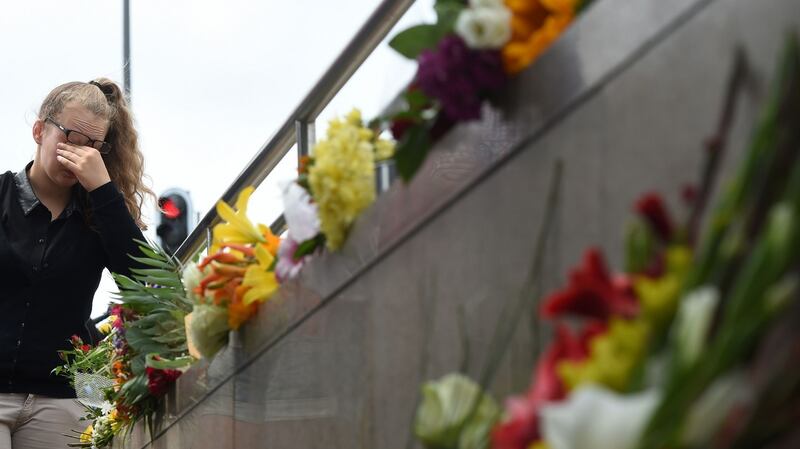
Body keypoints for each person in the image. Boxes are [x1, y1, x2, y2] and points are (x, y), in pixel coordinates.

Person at [0, 78, 153, 449]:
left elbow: (148, 284)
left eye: (93, 147)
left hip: (66, 396)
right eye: (69, 137)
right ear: (40, 130)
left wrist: (105, 191)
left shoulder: (101, 213)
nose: (79, 154)